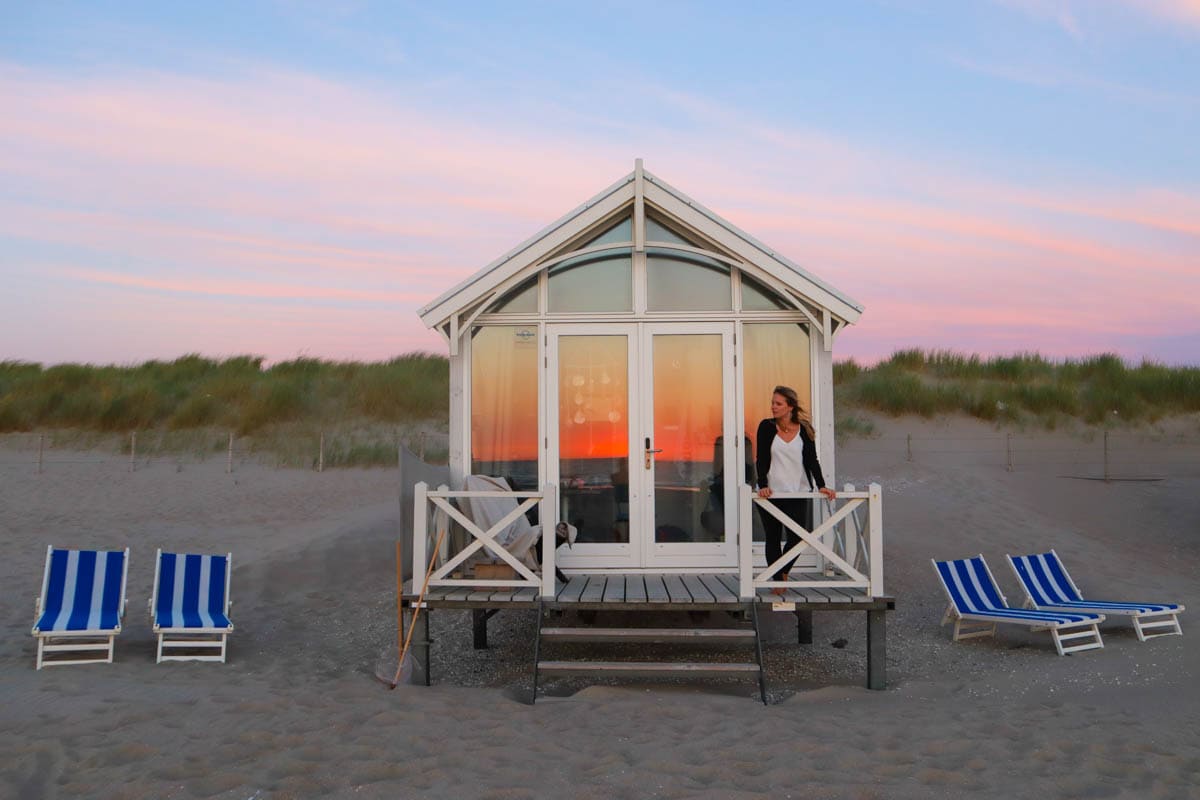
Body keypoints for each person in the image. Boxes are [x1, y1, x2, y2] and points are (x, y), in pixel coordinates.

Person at [755, 385, 836, 595]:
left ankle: (781, 574)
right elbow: (761, 458)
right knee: (772, 537)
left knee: (798, 537)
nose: (773, 407)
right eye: (772, 402)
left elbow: (812, 460)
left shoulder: (804, 429)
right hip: (771, 493)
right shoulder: (766, 427)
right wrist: (762, 485)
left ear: (789, 407)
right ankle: (778, 582)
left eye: (778, 403)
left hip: (797, 491)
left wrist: (821, 485)